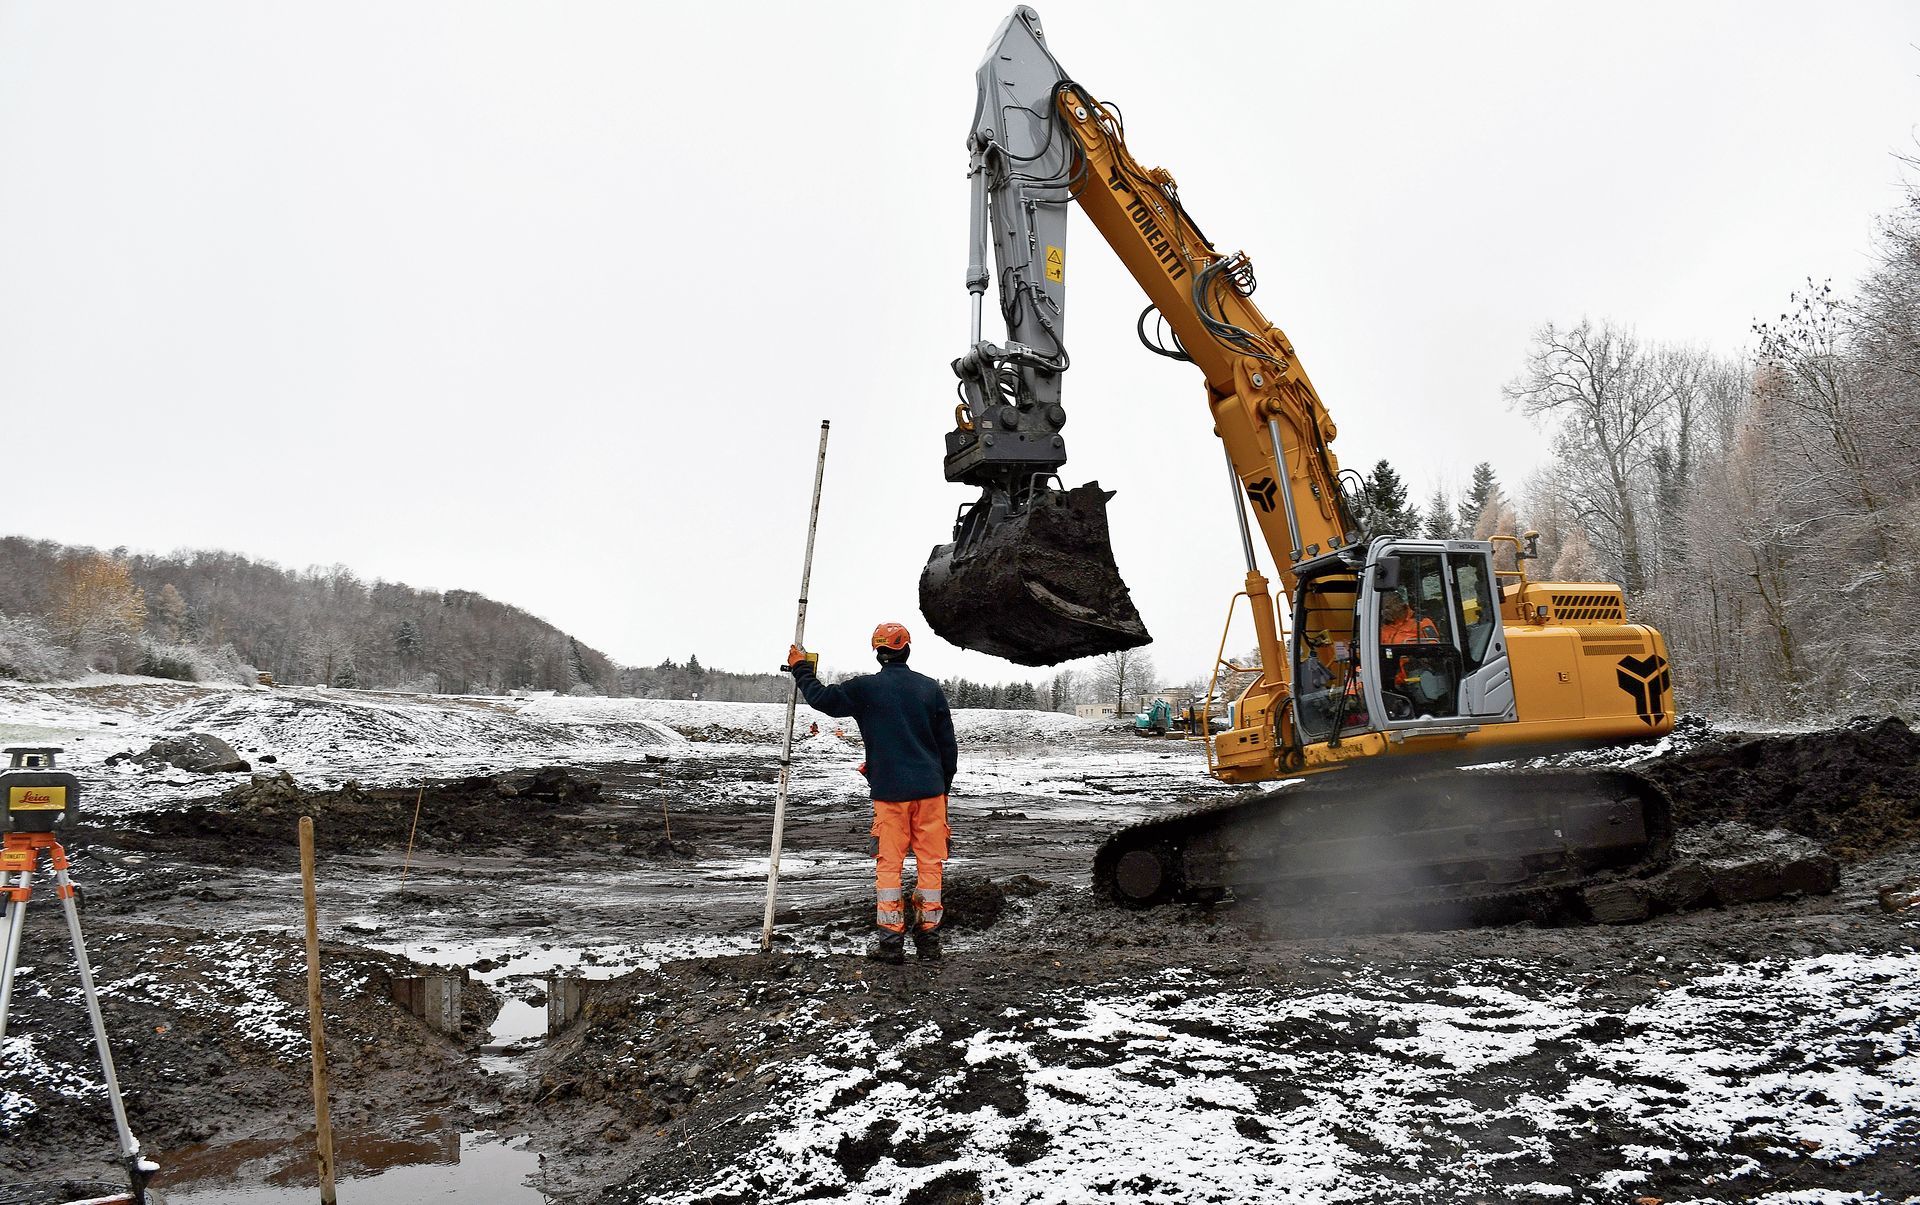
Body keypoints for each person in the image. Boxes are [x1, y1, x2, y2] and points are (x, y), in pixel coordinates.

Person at [788, 622, 957, 964]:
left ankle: (891, 945)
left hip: (890, 793)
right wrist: (942, 787)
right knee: (930, 866)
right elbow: (947, 747)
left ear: (879, 653)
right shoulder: (929, 689)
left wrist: (800, 668)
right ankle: (929, 944)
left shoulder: (865, 689)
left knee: (889, 867)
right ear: (907, 649)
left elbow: (821, 698)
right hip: (930, 793)